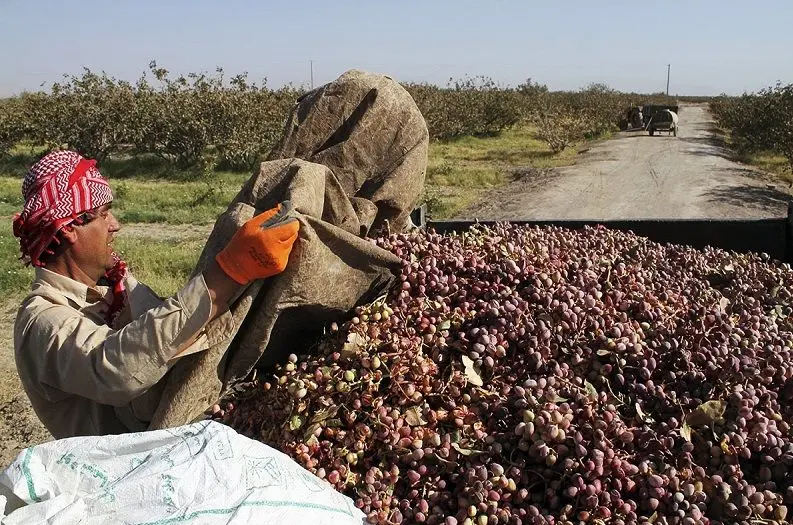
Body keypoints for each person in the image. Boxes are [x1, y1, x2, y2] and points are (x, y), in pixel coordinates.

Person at [12, 150, 299, 439]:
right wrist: (227, 273)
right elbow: (117, 368)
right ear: (71, 227)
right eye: (103, 214)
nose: (115, 225)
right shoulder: (41, 320)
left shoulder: (112, 289)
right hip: (118, 475)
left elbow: (166, 327)